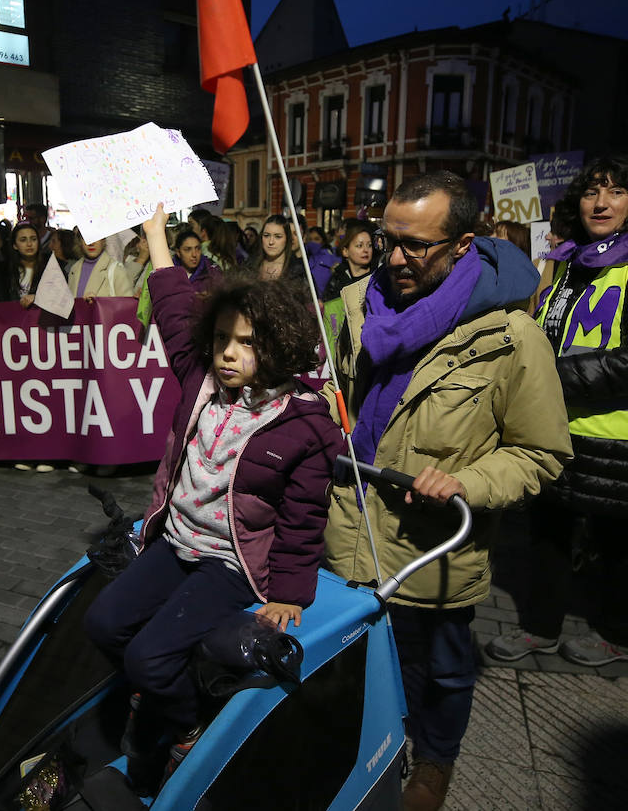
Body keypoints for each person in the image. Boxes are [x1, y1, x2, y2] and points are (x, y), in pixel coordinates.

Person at [322, 171, 571, 810]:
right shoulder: (356, 306)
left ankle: (435, 761)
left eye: (416, 245)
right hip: (348, 531)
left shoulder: (511, 336)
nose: (394, 259)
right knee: (357, 664)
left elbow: (540, 452)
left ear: (463, 244)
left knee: (440, 670)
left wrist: (466, 482)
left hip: (431, 549)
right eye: (388, 240)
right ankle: (365, 754)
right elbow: (333, 397)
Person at [84, 203, 341, 781]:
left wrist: (291, 594)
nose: (228, 352)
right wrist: (156, 235)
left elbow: (303, 517)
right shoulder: (200, 379)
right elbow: (173, 307)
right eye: (222, 337)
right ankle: (156, 692)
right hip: (176, 543)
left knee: (149, 658)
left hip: (230, 563)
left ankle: (187, 725)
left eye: (246, 342)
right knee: (103, 623)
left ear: (277, 346)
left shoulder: (305, 423)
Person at [488, 158, 628, 670]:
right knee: (549, 536)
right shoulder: (573, 259)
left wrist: (547, 379)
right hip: (560, 428)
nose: (601, 203)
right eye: (591, 192)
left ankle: (619, 636)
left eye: (615, 192)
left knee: (621, 544)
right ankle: (540, 629)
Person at [320, 219, 377, 302]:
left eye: (369, 245)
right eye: (359, 245)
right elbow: (328, 305)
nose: (366, 250)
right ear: (345, 251)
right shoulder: (337, 279)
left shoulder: (377, 278)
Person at [68, 228, 133, 298]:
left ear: (103, 240)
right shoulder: (74, 269)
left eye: (96, 237)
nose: (91, 243)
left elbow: (127, 303)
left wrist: (99, 302)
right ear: (80, 241)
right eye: (86, 237)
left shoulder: (117, 271)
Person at [3, 221, 51, 308]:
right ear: (15, 245)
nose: (29, 244)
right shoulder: (5, 270)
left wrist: (38, 298)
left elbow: (61, 297)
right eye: (23, 240)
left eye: (33, 239)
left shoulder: (51, 268)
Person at [246, 214, 301, 283]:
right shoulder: (250, 265)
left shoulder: (298, 270)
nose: (271, 242)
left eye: (278, 236)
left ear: (287, 239)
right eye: (266, 235)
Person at [302, 224, 341, 295]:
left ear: (323, 241)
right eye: (310, 239)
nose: (313, 242)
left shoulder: (332, 257)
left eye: (316, 239)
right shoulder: (303, 258)